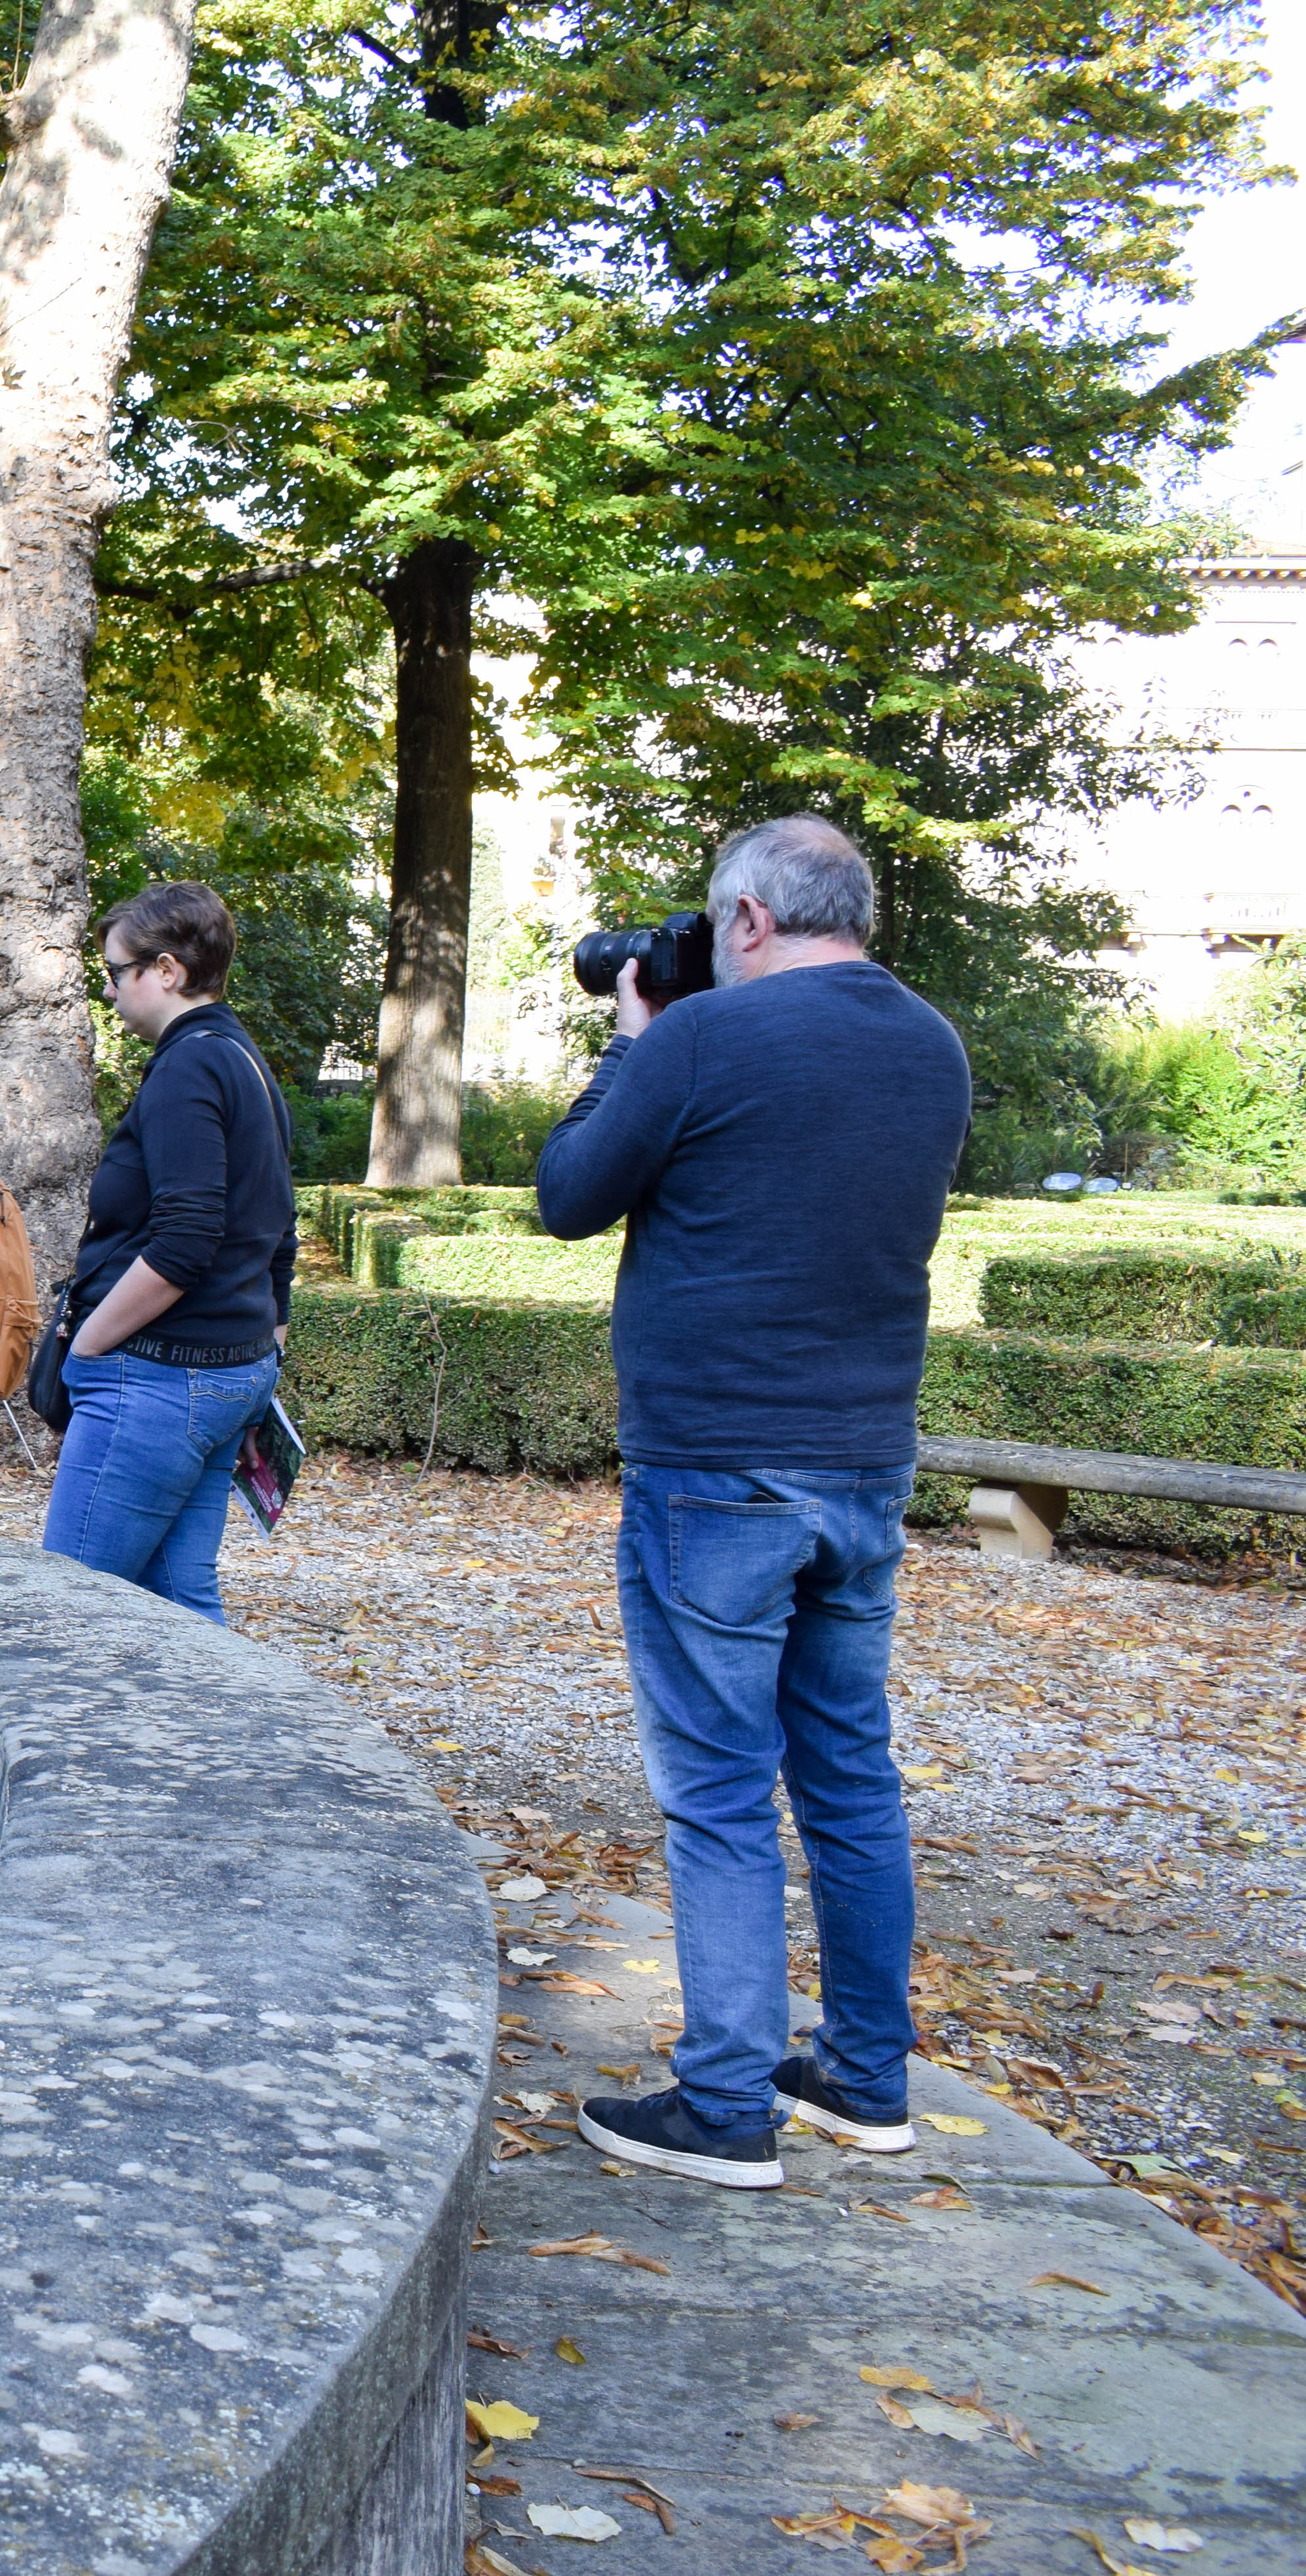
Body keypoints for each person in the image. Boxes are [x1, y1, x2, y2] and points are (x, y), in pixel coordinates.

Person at [534, 814, 971, 2192]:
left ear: (750, 918)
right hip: (862, 1465)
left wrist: (631, 1035)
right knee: (850, 1774)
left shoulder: (701, 1040)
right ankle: (864, 2073)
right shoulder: (932, 1044)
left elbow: (566, 1194)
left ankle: (727, 2103)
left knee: (719, 1789)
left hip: (717, 1468)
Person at [40, 882, 299, 1623]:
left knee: (70, 1604)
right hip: (226, 1370)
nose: (113, 994)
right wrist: (265, 1353)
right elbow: (278, 1231)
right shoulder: (242, 1059)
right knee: (179, 1609)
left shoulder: (190, 1067)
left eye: (117, 974)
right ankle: (225, 1742)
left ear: (167, 970)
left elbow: (186, 1240)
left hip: (158, 1376)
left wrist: (88, 1344)